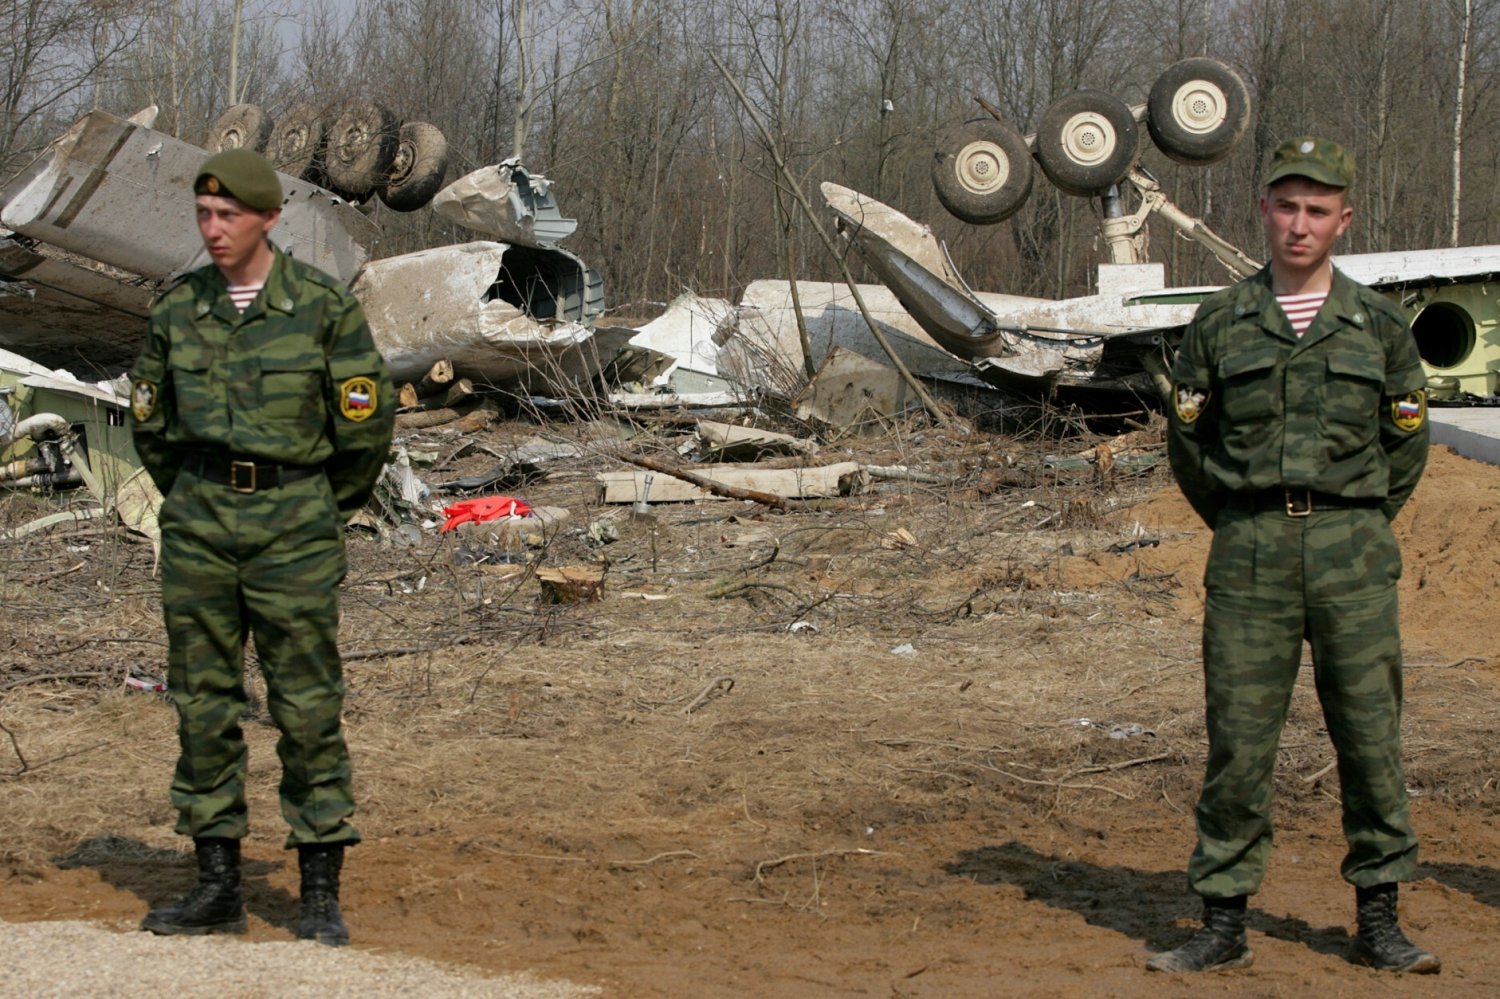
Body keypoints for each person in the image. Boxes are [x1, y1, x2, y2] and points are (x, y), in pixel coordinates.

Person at [1151, 137, 1435, 974]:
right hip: (1250, 551)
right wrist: (1245, 517)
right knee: (1239, 739)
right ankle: (1223, 922)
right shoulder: (1220, 322)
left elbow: (1406, 442)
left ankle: (1379, 918)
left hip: (1353, 548)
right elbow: (1189, 442)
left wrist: (1359, 518)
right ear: (1264, 211)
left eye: (1318, 209)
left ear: (1343, 220)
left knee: (1370, 734)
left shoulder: (1380, 326)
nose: (1299, 224)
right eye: (1286, 205)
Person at [129, 148, 394, 947]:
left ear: (269, 219)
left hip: (294, 525)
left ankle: (318, 889)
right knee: (203, 703)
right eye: (203, 215)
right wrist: (198, 492)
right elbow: (151, 422)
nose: (213, 229)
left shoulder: (322, 308)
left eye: (229, 215)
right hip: (201, 523)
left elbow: (364, 426)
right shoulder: (177, 310)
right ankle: (217, 884)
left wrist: (318, 505)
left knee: (307, 706)